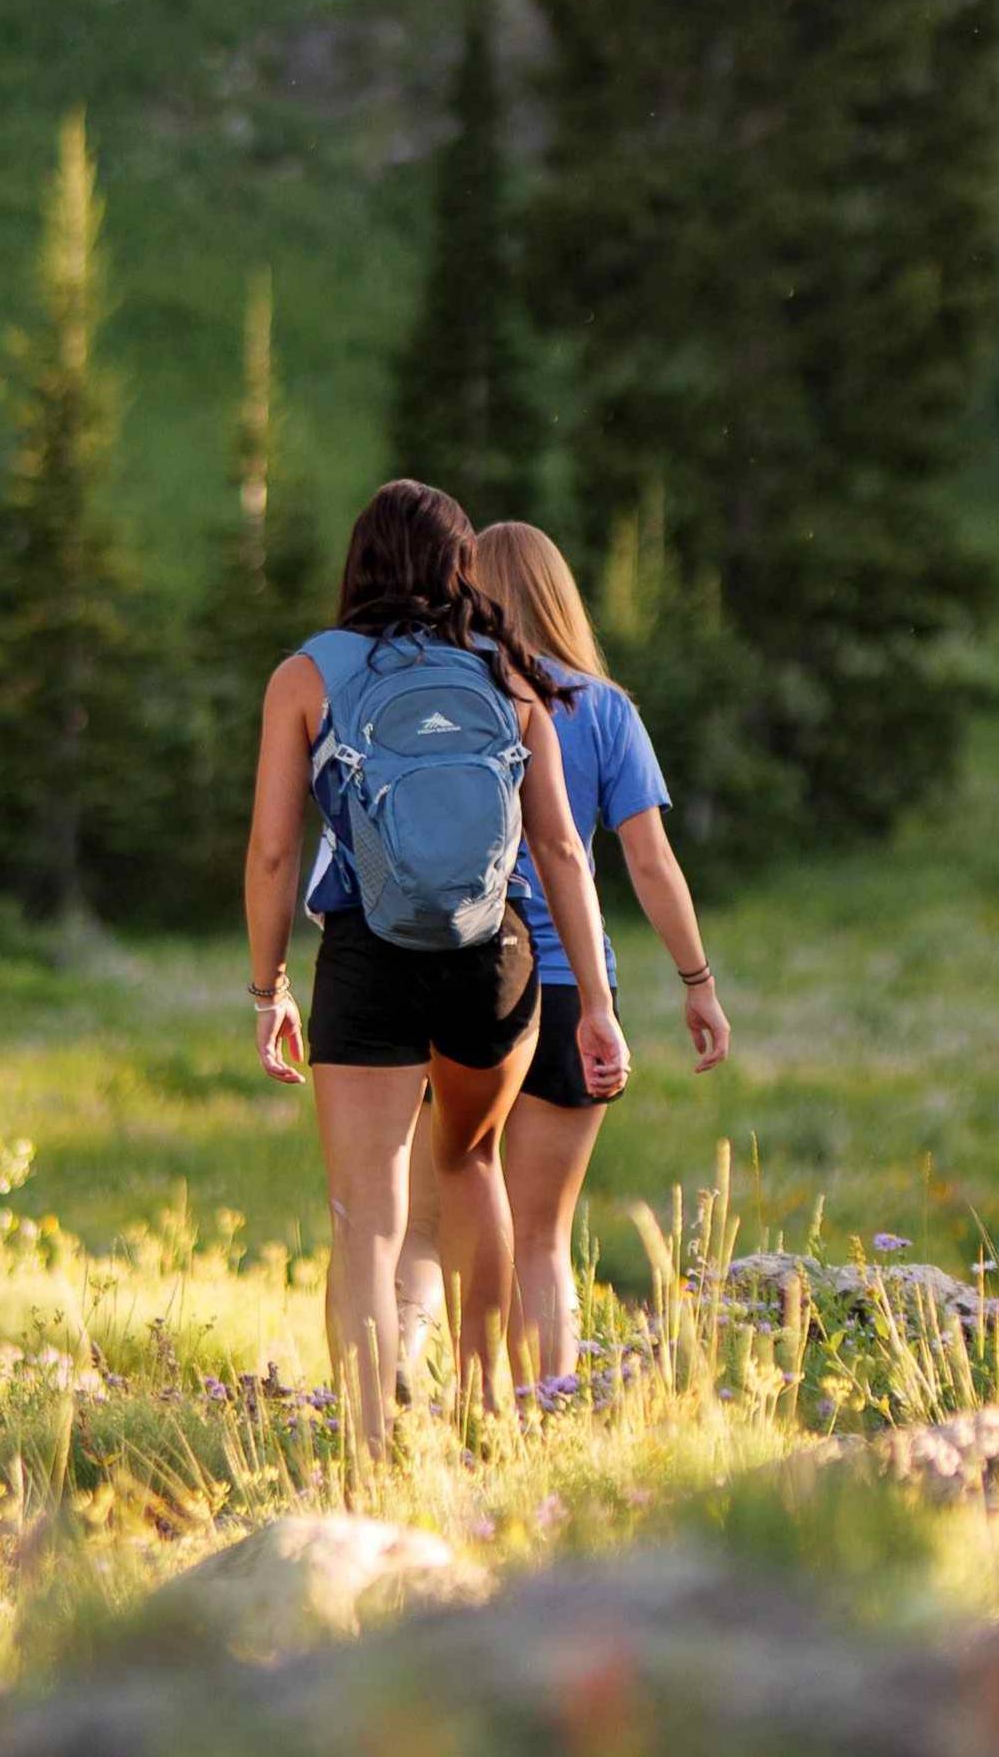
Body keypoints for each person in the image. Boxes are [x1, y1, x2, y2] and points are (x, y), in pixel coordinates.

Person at [242, 481, 613, 1443]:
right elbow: (563, 852)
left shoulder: (306, 676)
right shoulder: (509, 674)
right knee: (473, 1162)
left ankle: (369, 1442)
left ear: (358, 563)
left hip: (369, 955)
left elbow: (276, 854)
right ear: (462, 569)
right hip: (493, 955)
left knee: (367, 1214)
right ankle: (486, 1409)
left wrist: (268, 986)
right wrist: (601, 1002)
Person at [403, 522, 728, 1397]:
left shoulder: (438, 697)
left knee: (429, 1224)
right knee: (544, 1237)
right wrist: (696, 984)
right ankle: (543, 1408)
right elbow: (650, 863)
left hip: (453, 972)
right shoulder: (605, 710)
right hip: (567, 979)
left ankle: (418, 1392)